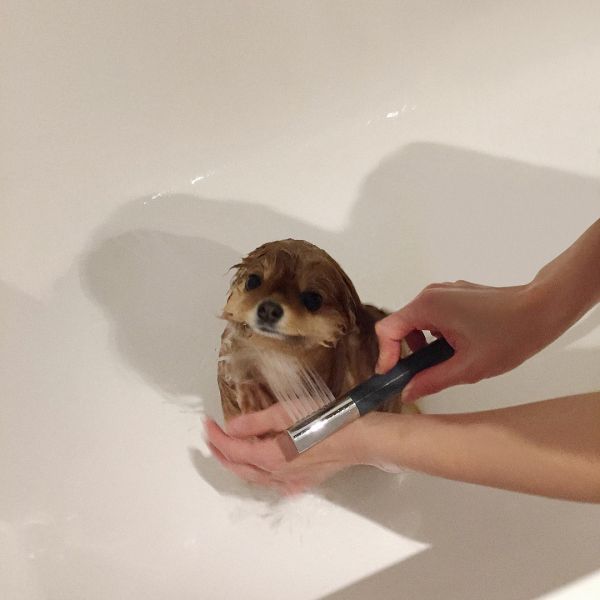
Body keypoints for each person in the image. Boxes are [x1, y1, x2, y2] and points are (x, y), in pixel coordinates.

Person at [205, 219, 600, 502]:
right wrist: (537, 304)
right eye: (255, 283)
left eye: (310, 300)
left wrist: (372, 440)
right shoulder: (237, 361)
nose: (270, 306)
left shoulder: (357, 354)